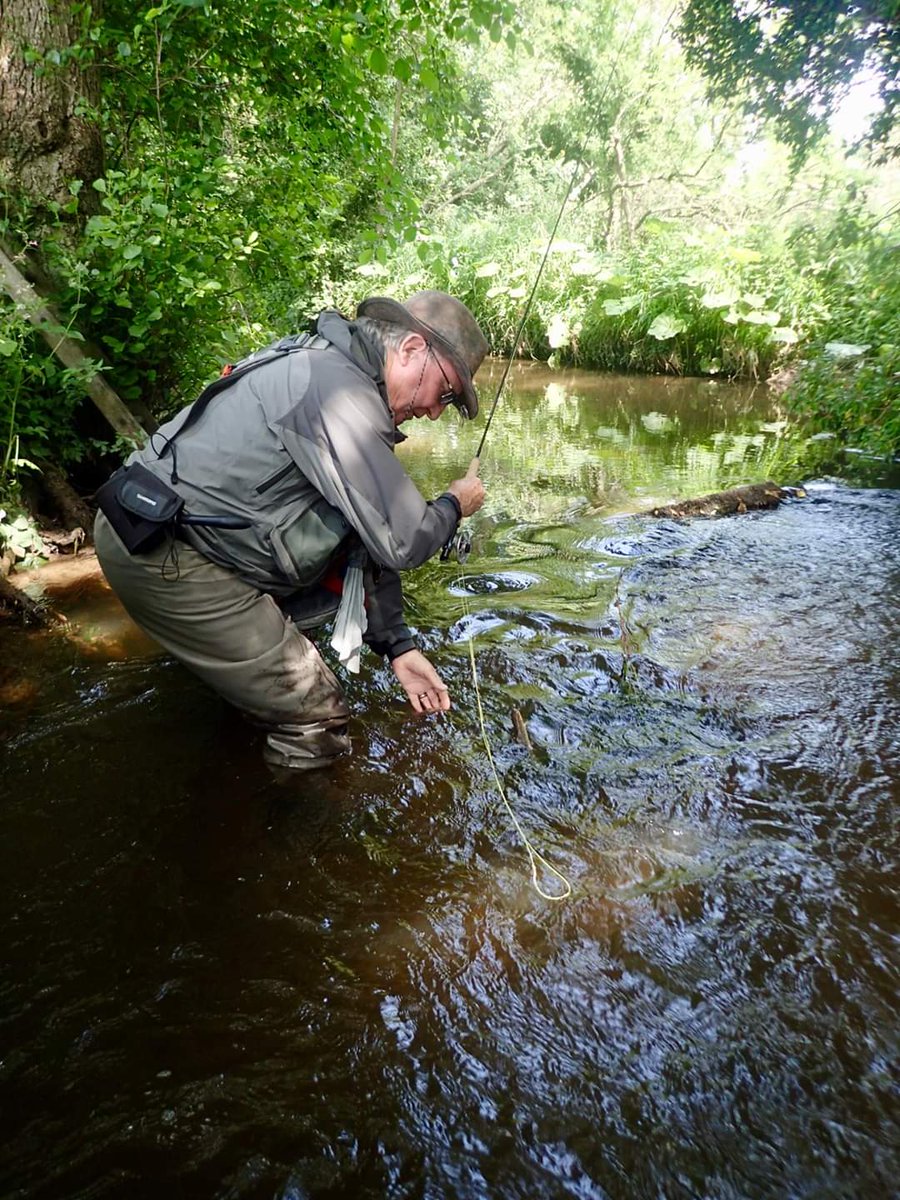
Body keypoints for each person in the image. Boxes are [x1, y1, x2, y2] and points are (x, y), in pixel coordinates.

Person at [93, 291, 488, 770]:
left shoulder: (326, 365)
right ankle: (290, 814)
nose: (436, 412)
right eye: (445, 392)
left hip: (149, 525)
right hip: (167, 554)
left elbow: (365, 533)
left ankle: (244, 716)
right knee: (316, 716)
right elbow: (404, 540)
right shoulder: (339, 395)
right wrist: (454, 505)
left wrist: (399, 647)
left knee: (300, 640)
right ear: (410, 349)